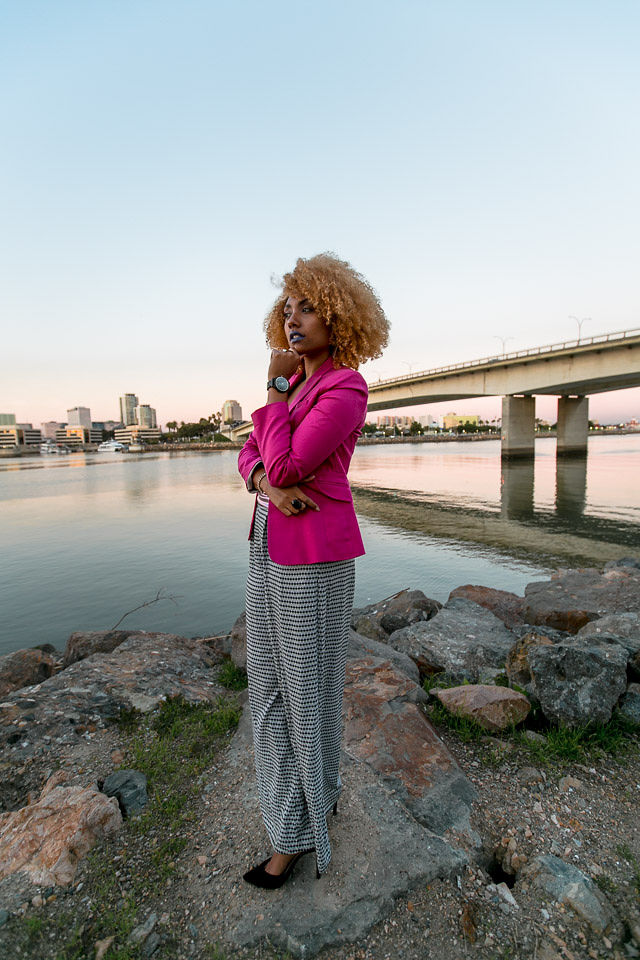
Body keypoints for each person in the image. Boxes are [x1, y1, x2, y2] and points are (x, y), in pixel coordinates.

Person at [237, 252, 389, 888]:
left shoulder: (344, 388)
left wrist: (273, 395)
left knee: (308, 693)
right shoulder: (296, 388)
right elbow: (252, 458)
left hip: (314, 555)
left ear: (337, 317)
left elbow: (294, 463)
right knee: (267, 688)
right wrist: (266, 488)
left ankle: (302, 833)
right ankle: (292, 814)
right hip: (267, 540)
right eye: (287, 308)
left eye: (307, 307)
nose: (293, 318)